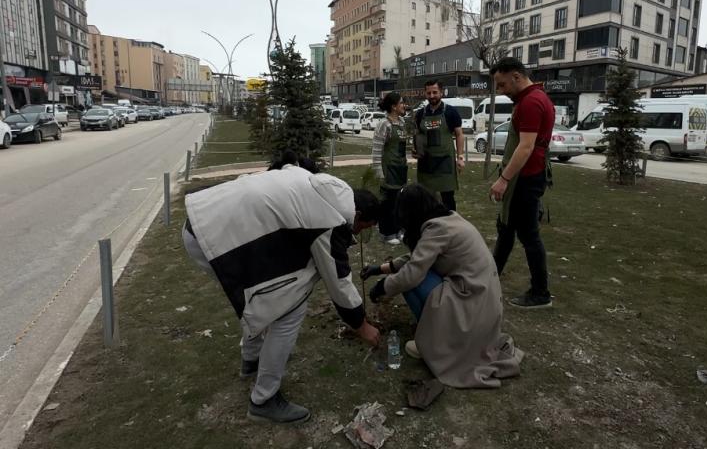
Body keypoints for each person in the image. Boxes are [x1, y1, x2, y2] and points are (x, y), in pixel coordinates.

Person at [182, 168, 381, 424]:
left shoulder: (323, 188)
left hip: (204, 219)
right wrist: (361, 325)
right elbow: (338, 280)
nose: (359, 233)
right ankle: (264, 400)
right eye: (363, 227)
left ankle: (252, 360)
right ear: (358, 215)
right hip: (214, 238)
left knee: (265, 296)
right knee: (288, 309)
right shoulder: (331, 219)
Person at [363, 184, 524, 388]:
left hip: (472, 305)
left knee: (411, 281)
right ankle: (437, 330)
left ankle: (437, 341)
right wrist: (379, 269)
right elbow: (416, 258)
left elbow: (412, 273)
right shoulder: (446, 220)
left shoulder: (437, 229)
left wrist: (382, 287)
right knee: (415, 273)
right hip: (482, 301)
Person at [488, 57, 555, 308]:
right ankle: (490, 275)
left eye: (503, 84)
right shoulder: (533, 98)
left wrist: (503, 179)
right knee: (506, 227)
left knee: (528, 235)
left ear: (516, 77)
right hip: (525, 177)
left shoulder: (531, 102)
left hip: (524, 179)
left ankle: (540, 293)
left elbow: (525, 147)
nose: (501, 91)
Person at [413, 80, 464, 210]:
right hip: (426, 162)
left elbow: (459, 135)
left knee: (447, 198)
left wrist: (460, 157)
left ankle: (451, 221)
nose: (432, 96)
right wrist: (416, 150)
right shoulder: (420, 114)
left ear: (441, 92)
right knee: (425, 198)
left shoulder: (451, 112)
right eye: (429, 93)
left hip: (444, 162)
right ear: (425, 93)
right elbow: (418, 135)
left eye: (435, 92)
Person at [371, 92, 408, 245]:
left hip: (400, 168)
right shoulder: (384, 124)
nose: (404, 105)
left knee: (399, 202)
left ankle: (398, 230)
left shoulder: (402, 123)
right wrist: (378, 171)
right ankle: (387, 233)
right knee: (388, 203)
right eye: (401, 103)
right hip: (388, 169)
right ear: (393, 107)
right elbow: (377, 150)